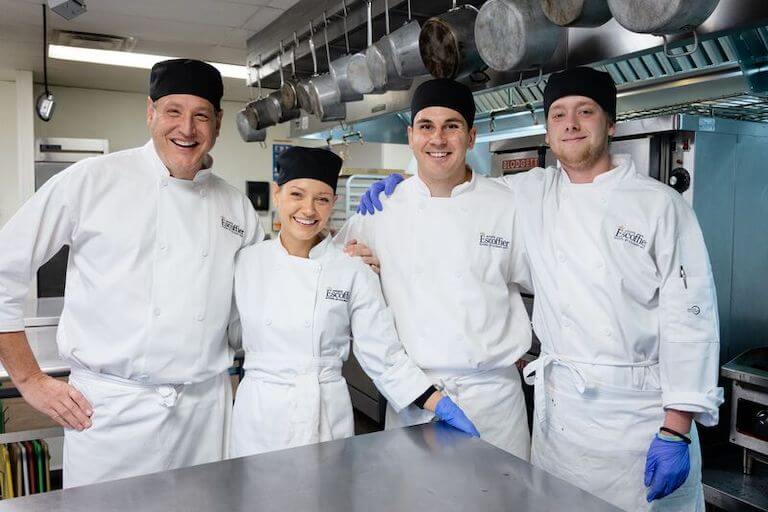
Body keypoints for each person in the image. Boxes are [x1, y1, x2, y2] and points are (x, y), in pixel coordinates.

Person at [357, 67, 723, 511]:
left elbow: (691, 318)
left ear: (611, 123)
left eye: (585, 112)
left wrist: (677, 424)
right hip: (561, 419)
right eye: (558, 114)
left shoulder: (659, 206)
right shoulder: (528, 192)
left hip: (640, 414)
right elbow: (444, 190)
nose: (570, 124)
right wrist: (397, 183)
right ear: (548, 130)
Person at [0, 59, 265, 487]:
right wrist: (29, 379)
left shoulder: (236, 208)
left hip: (205, 414)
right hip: (109, 413)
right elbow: (3, 269)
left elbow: (260, 302)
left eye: (201, 115)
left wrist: (343, 255)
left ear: (218, 122)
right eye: (173, 111)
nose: (187, 128)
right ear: (150, 113)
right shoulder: (93, 179)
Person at [230, 146, 478, 457]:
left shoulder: (352, 270)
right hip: (260, 415)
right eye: (296, 195)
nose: (308, 210)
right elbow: (228, 334)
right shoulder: (246, 263)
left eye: (321, 199)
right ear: (277, 194)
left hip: (326, 413)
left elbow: (384, 355)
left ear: (333, 204)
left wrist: (437, 401)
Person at [337, 79, 533, 461]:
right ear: (411, 136)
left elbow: (546, 285)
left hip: (493, 400)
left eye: (452, 126)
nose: (438, 138)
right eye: (426, 126)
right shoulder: (382, 207)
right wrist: (353, 261)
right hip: (414, 395)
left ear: (472, 136)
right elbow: (333, 271)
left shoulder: (507, 206)